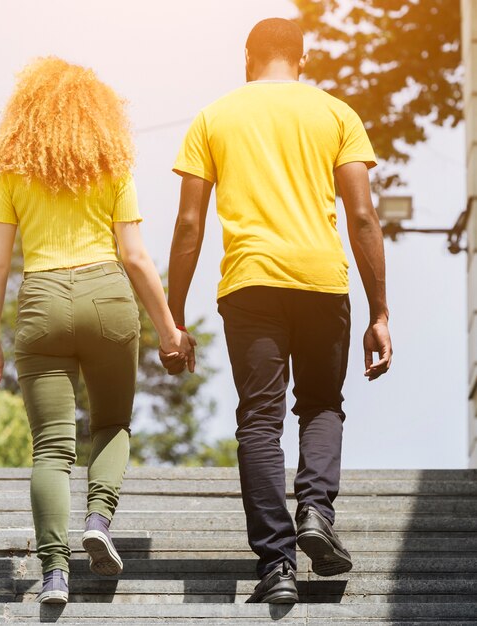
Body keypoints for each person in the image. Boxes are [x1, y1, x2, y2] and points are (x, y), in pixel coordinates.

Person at [161, 18, 392, 604]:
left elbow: (189, 224)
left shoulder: (213, 118)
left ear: (248, 59)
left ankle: (276, 566)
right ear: (303, 60)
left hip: (250, 286)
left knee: (259, 421)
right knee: (320, 404)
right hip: (321, 281)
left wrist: (174, 316)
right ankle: (315, 511)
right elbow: (363, 218)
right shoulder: (336, 114)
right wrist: (380, 312)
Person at [0, 57, 193, 604]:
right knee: (113, 423)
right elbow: (136, 256)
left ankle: (53, 574)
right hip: (108, 299)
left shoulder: (14, 174)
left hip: (41, 302)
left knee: (50, 448)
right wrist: (169, 330)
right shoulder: (114, 166)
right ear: (99, 116)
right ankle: (99, 518)